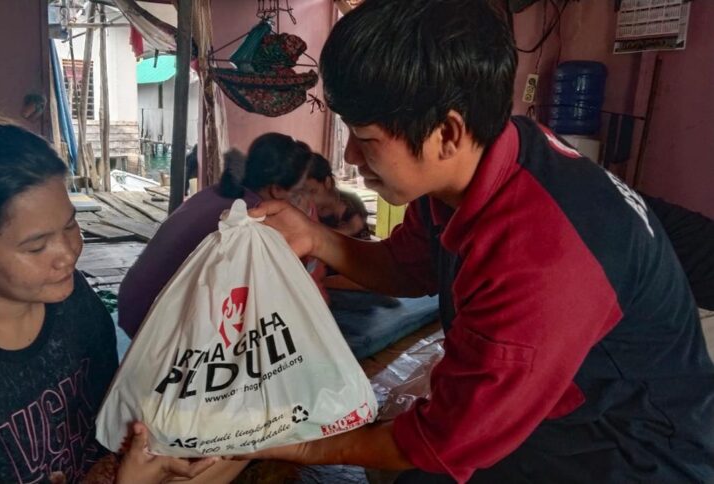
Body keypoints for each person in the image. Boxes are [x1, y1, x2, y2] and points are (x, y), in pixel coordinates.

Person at [245, 0, 714, 481]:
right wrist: (315, 237)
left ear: (446, 133)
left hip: (632, 455)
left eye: (365, 137)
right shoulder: (487, 158)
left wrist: (296, 444)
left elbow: (436, 442)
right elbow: (407, 268)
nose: (349, 154)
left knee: (404, 469)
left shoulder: (539, 260)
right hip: (565, 409)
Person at [0, 90, 235, 483]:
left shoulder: (71, 300)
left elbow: (109, 425)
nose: (68, 254)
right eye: (36, 245)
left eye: (71, 225)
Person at [117, 133, 314, 338]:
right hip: (155, 321)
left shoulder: (216, 193)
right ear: (277, 190)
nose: (303, 197)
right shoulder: (251, 218)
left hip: (133, 300)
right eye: (300, 190)